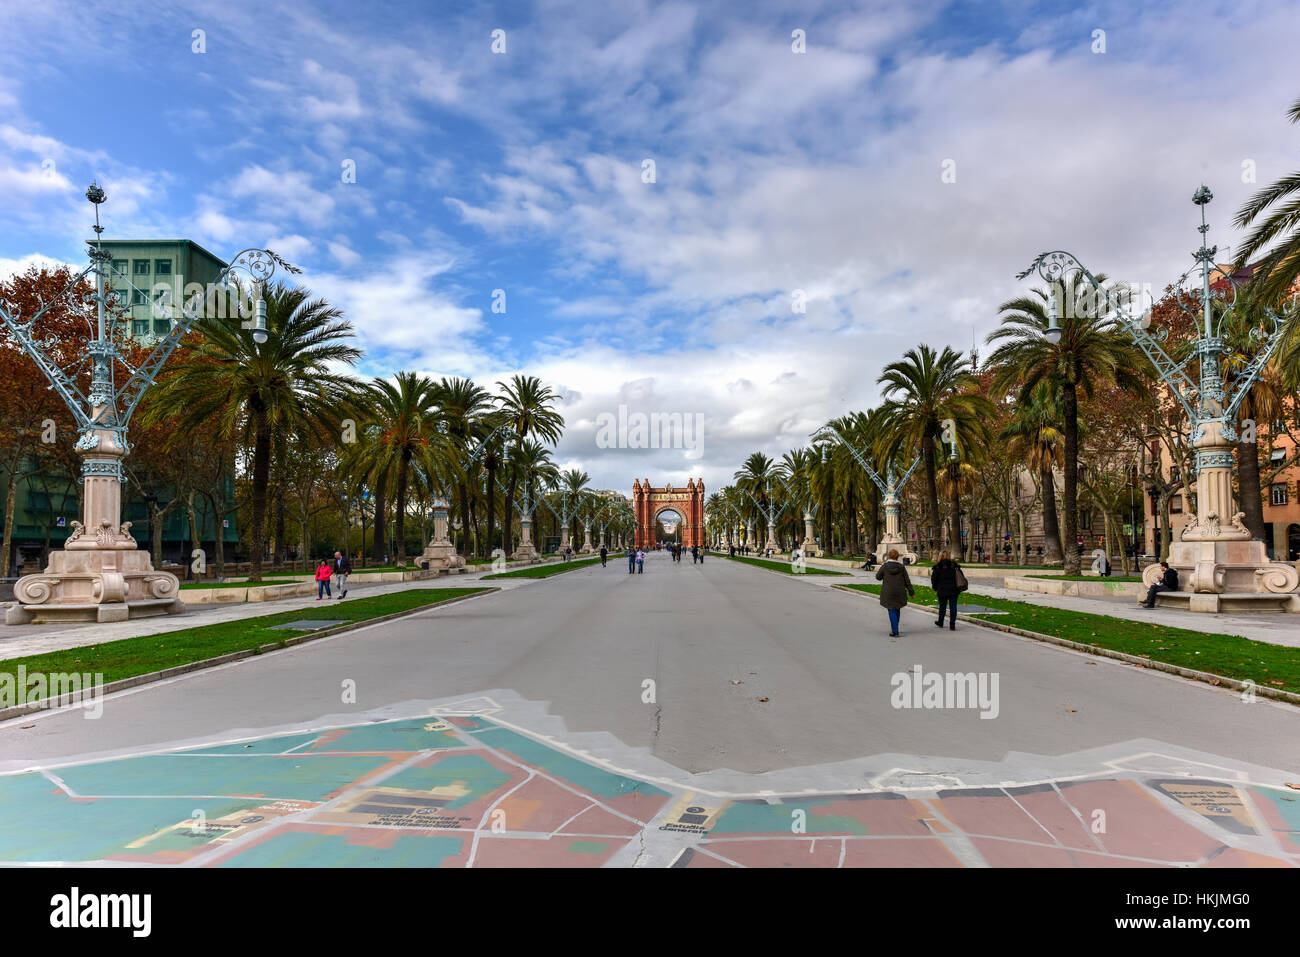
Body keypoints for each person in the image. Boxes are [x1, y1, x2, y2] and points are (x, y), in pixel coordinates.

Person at [874, 548, 914, 637]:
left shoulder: (885, 566)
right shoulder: (901, 567)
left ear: (889, 556)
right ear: (897, 557)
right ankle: (895, 626)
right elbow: (907, 581)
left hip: (888, 591)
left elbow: (878, 577)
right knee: (897, 608)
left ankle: (895, 631)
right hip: (900, 591)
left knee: (891, 609)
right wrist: (911, 592)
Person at [930, 550, 963, 631]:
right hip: (953, 589)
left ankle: (940, 621)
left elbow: (934, 579)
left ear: (940, 557)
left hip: (942, 589)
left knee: (942, 607)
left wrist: (935, 587)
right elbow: (960, 575)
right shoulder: (954, 566)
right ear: (949, 556)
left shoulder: (938, 567)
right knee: (953, 607)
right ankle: (952, 624)